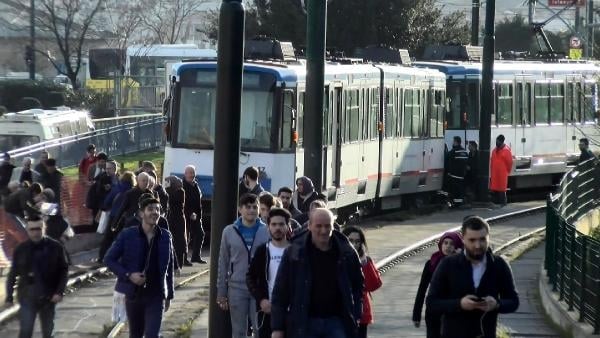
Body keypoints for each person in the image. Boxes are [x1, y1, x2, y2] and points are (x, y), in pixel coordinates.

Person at [271, 208, 364, 338]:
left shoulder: (347, 252)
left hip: (337, 321)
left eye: (327, 226)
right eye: (318, 226)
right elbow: (280, 292)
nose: (323, 231)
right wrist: (277, 328)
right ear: (309, 226)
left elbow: (358, 286)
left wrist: (356, 314)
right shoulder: (294, 252)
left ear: (333, 227)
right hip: (305, 321)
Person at [426, 216, 519, 338]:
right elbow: (432, 302)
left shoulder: (499, 265)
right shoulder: (448, 265)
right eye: (472, 240)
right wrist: (459, 304)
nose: (477, 245)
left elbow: (513, 301)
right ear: (463, 239)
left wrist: (496, 304)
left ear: (488, 238)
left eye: (482, 240)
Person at [104, 195, 175, 338]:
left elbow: (170, 266)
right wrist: (129, 275)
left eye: (157, 209)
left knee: (151, 335)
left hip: (156, 295)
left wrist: (169, 295)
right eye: (150, 209)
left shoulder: (166, 236)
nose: (155, 212)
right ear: (141, 213)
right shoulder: (127, 235)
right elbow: (109, 259)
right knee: (135, 334)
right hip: (133, 295)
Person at [5, 217, 69, 338]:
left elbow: (63, 271)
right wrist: (9, 297)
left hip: (48, 296)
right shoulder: (21, 249)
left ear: (44, 228)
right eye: (32, 229)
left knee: (48, 330)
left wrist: (59, 291)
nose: (35, 232)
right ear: (27, 230)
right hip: (27, 296)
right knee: (25, 330)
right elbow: (13, 274)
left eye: (38, 229)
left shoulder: (55, 247)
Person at [216, 193, 270, 338]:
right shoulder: (229, 231)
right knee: (239, 331)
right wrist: (221, 291)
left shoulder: (266, 231)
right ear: (240, 209)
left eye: (255, 207)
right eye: (248, 207)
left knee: (260, 330)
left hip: (260, 288)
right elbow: (223, 262)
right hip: (237, 288)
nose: (251, 210)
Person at [246, 208, 292, 338]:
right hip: (267, 312)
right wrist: (261, 300)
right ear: (268, 227)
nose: (277, 228)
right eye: (274, 224)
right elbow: (250, 277)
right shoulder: (262, 251)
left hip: (291, 312)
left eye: (281, 224)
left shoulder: (296, 251)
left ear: (288, 227)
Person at [412, 231, 464, 338]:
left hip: (453, 311)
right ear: (441, 244)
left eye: (452, 243)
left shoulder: (461, 263)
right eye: (445, 243)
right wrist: (416, 315)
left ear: (458, 246)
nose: (448, 246)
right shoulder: (431, 263)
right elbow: (422, 289)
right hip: (433, 311)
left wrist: (462, 256)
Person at [342, 226, 383, 338]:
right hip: (341, 311)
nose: (354, 244)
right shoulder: (338, 257)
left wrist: (364, 264)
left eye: (357, 241)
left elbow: (374, 285)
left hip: (361, 313)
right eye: (350, 240)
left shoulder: (366, 261)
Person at [182, 165, 205, 264]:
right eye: (189, 173)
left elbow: (198, 202)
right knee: (186, 237)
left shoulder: (196, 185)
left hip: (196, 216)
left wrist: (198, 215)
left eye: (193, 172)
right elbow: (183, 203)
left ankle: (196, 256)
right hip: (186, 216)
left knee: (200, 234)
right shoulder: (182, 186)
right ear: (185, 174)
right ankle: (183, 258)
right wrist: (190, 213)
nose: (191, 175)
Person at [165, 175, 187, 272]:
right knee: (172, 241)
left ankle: (179, 263)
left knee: (179, 241)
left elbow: (172, 199)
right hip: (172, 219)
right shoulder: (172, 191)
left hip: (178, 220)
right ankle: (173, 263)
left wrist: (168, 189)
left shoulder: (180, 191)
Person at [490, 135, 513, 206]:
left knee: (501, 190)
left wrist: (507, 171)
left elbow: (509, 163)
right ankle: (497, 203)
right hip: (495, 174)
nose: (497, 142)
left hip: (502, 174)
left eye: (498, 141)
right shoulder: (494, 150)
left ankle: (503, 203)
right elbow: (492, 162)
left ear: (502, 141)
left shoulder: (506, 150)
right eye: (497, 141)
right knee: (495, 189)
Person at [446, 136, 469, 207]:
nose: (452, 143)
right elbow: (467, 162)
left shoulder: (454, 151)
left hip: (454, 175)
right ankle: (459, 203)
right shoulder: (464, 151)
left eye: (453, 141)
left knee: (454, 190)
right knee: (460, 190)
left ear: (456, 142)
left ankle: (454, 204)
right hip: (462, 175)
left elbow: (447, 157)